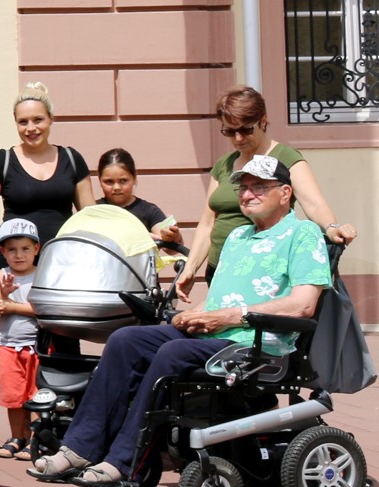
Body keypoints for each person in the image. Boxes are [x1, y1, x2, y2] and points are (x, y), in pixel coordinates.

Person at [29, 157, 330, 486]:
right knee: (125, 340)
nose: (247, 194)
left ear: (285, 192)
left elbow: (303, 305)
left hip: (256, 344)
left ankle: (124, 461)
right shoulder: (238, 237)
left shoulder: (303, 234)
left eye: (259, 186)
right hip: (216, 333)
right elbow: (221, 299)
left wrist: (226, 317)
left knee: (172, 354)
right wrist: (195, 314)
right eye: (243, 187)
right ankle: (77, 448)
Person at [175, 85, 356, 301]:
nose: (238, 138)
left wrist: (331, 228)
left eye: (246, 129)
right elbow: (207, 223)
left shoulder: (285, 157)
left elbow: (314, 204)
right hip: (221, 267)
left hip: (259, 269)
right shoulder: (225, 164)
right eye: (230, 131)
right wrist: (191, 268)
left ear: (263, 121)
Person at [0, 82, 95, 277]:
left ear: (51, 119)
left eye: (38, 119)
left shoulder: (72, 159)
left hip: (63, 261)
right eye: (23, 122)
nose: (31, 128)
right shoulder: (3, 161)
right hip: (14, 266)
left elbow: (90, 216)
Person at [0, 219, 41, 461]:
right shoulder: (2, 274)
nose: (19, 255)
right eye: (12, 250)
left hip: (36, 347)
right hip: (8, 347)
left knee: (36, 395)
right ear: (3, 252)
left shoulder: (42, 274)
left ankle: (36, 439)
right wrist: (3, 298)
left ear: (36, 249)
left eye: (25, 249)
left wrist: (11, 305)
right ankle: (17, 437)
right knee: (13, 396)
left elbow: (42, 309)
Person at [94, 148, 178, 243]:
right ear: (100, 180)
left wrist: (172, 236)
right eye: (109, 181)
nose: (116, 187)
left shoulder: (149, 210)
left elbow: (170, 247)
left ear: (134, 178)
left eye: (123, 181)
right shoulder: (93, 209)